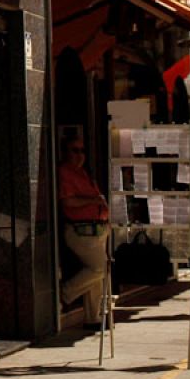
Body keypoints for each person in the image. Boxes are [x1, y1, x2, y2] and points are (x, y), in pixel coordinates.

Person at [56, 132, 109, 328]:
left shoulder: (82, 172)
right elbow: (68, 202)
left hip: (97, 229)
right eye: (75, 150)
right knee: (100, 268)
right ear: (65, 152)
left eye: (82, 151)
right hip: (81, 230)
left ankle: (93, 317)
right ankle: (64, 294)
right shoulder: (65, 172)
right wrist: (94, 201)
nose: (80, 155)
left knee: (97, 274)